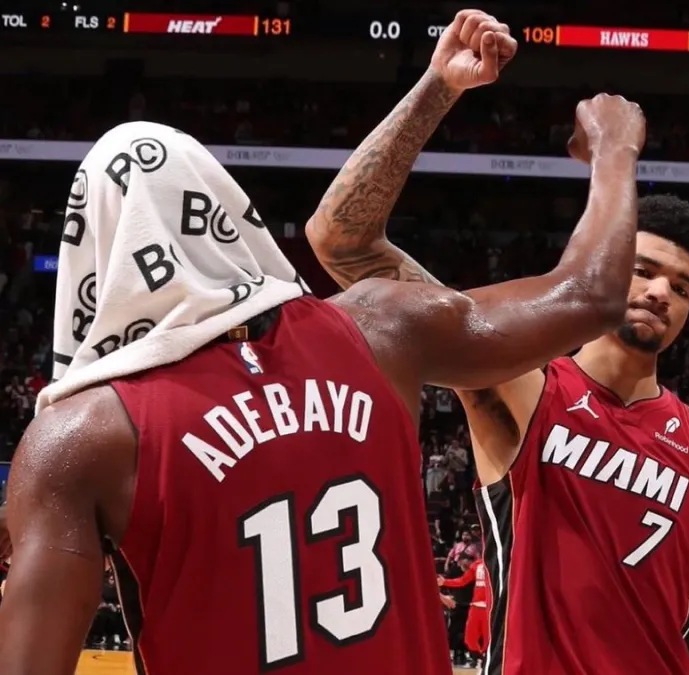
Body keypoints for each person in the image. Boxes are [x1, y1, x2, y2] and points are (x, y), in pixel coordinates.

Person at [0, 13, 650, 675]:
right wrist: (615, 148)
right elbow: (589, 295)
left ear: (90, 252)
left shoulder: (77, 437)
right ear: (229, 213)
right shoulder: (380, 326)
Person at [305, 45, 689, 675]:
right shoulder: (520, 384)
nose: (659, 292)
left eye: (681, 288)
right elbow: (341, 241)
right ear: (608, 264)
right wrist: (437, 86)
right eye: (642, 270)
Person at [438, 555, 489, 661]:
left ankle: (486, 660)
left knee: (488, 639)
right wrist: (445, 582)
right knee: (469, 638)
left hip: (489, 607)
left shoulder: (498, 562)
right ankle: (482, 659)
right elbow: (463, 580)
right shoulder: (477, 564)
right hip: (476, 606)